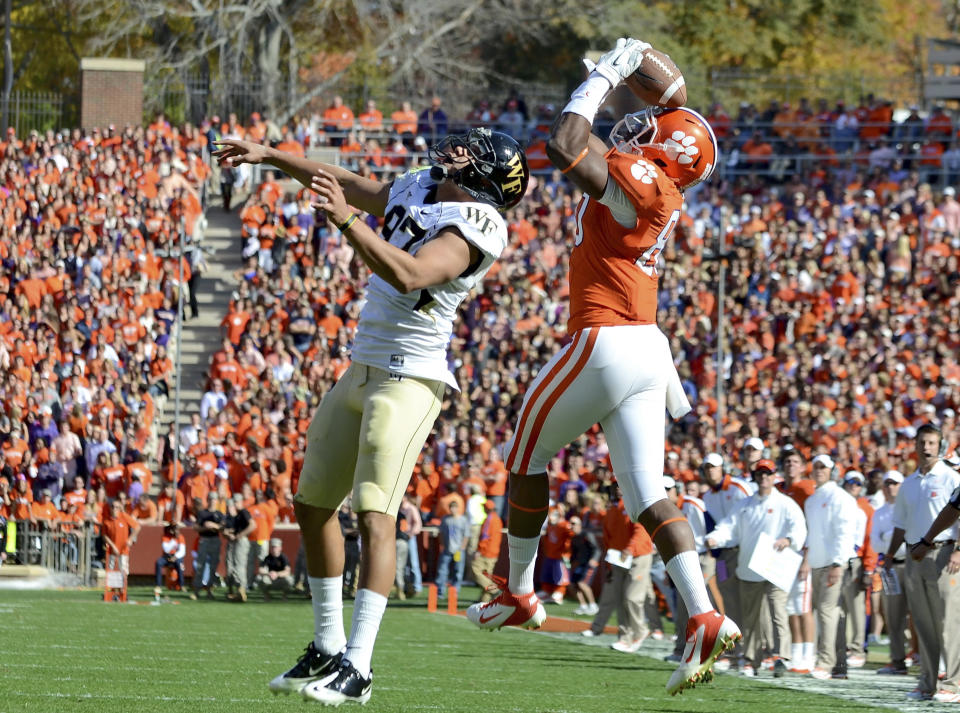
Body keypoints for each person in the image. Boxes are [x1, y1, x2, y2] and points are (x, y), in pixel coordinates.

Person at [215, 123, 529, 705]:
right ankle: (328, 645)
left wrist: (343, 220)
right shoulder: (422, 184)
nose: (456, 152)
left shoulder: (480, 225)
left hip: (411, 378)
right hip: (360, 368)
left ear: (484, 177)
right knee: (311, 505)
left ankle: (359, 666)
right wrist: (268, 156)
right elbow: (346, 183)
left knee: (375, 513)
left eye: (472, 154)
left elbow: (409, 274)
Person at [465, 37, 737, 696]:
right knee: (647, 490)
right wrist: (657, 92)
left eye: (655, 128)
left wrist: (606, 76)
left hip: (606, 337)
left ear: (665, 150)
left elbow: (564, 145)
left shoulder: (643, 181)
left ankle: (520, 592)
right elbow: (652, 126)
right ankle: (702, 612)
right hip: (645, 344)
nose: (643, 126)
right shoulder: (667, 186)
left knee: (524, 452)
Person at [705, 460, 806, 678]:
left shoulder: (785, 503)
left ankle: (780, 657)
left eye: (768, 473)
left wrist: (789, 540)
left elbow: (799, 528)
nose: (764, 477)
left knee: (777, 611)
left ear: (774, 475)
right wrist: (715, 538)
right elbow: (728, 527)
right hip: (750, 568)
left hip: (776, 567)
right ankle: (751, 659)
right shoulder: (744, 505)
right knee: (750, 617)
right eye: (760, 473)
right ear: (755, 476)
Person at [885, 424, 960, 702]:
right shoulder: (908, 483)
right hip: (913, 556)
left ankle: (953, 683)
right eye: (922, 442)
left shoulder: (951, 477)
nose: (926, 447)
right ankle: (927, 683)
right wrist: (890, 556)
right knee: (923, 623)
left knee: (948, 622)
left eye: (931, 442)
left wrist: (958, 551)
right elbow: (900, 525)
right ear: (915, 446)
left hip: (944, 555)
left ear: (939, 446)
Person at [803, 453, 860, 681]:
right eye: (816, 466)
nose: (819, 470)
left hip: (833, 563)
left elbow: (844, 532)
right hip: (817, 562)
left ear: (832, 471)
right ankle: (837, 664)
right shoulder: (812, 499)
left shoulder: (841, 497)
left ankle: (825, 662)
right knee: (827, 614)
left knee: (828, 613)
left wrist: (838, 562)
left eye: (823, 467)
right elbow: (811, 535)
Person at [581, 490, 653, 652]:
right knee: (620, 598)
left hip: (638, 555)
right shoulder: (613, 509)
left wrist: (629, 548)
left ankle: (640, 630)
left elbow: (641, 529)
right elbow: (609, 538)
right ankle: (624, 637)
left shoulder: (635, 503)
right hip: (619, 557)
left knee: (632, 597)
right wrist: (608, 564)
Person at [778, 447, 816, 673]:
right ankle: (796, 651)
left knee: (803, 605)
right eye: (787, 461)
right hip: (786, 554)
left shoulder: (807, 489)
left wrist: (807, 559)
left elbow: (813, 526)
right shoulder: (780, 489)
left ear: (803, 466)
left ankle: (808, 655)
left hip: (802, 552)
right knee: (791, 605)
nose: (791, 465)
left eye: (795, 461)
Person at [871, 470, 908, 675]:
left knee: (920, 614)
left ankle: (924, 659)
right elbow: (876, 544)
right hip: (890, 566)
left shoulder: (909, 508)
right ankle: (897, 660)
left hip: (910, 562)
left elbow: (909, 535)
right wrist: (892, 536)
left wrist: (888, 536)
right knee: (893, 615)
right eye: (887, 483)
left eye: (895, 483)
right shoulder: (879, 512)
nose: (890, 487)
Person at [192, 492, 225, 600]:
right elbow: (196, 527)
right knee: (200, 565)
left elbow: (223, 527)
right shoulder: (202, 513)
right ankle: (196, 590)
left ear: (216, 501)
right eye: (210, 499)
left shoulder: (219, 514)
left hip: (215, 540)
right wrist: (205, 528)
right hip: (204, 540)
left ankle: (210, 590)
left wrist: (214, 525)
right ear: (208, 500)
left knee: (213, 566)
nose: (212, 501)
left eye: (214, 499)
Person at [472, 499, 504, 603]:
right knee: (486, 575)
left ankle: (493, 589)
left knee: (476, 570)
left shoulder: (489, 519)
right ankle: (484, 600)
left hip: (486, 551)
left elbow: (485, 537)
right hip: (494, 552)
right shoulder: (497, 519)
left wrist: (479, 550)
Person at [224, 493, 254, 602]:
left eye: (236, 502)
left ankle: (242, 590)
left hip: (241, 541)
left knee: (239, 566)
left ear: (241, 502)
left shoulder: (244, 512)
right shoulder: (237, 515)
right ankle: (238, 591)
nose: (235, 504)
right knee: (234, 565)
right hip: (237, 540)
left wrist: (240, 535)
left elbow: (252, 525)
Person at [435, 499, 469, 596]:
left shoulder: (463, 520)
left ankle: (455, 592)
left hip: (458, 550)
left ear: (458, 508)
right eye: (451, 507)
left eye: (454, 507)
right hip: (447, 549)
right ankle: (440, 591)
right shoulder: (445, 519)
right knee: (442, 571)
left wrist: (462, 547)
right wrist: (442, 545)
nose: (453, 509)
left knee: (457, 571)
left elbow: (466, 535)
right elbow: (441, 533)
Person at [154, 523, 186, 598]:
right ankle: (158, 585)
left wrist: (175, 557)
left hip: (177, 557)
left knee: (179, 564)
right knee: (158, 562)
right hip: (167, 557)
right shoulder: (165, 537)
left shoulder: (181, 537)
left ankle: (181, 585)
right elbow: (166, 549)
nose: (177, 531)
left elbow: (182, 551)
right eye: (175, 529)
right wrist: (173, 539)